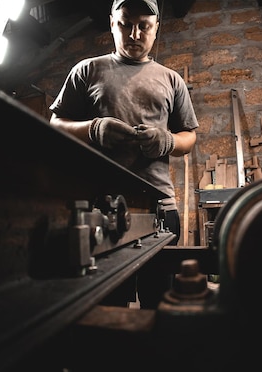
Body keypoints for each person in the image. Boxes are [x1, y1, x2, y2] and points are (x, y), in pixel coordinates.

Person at [48, 0, 199, 309]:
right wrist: (92, 129)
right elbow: (56, 124)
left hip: (159, 207)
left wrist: (166, 142)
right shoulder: (87, 70)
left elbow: (190, 137)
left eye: (144, 26)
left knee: (159, 305)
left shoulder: (172, 80)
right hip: (101, 207)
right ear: (112, 23)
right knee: (108, 305)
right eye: (125, 23)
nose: (134, 33)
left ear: (156, 29)